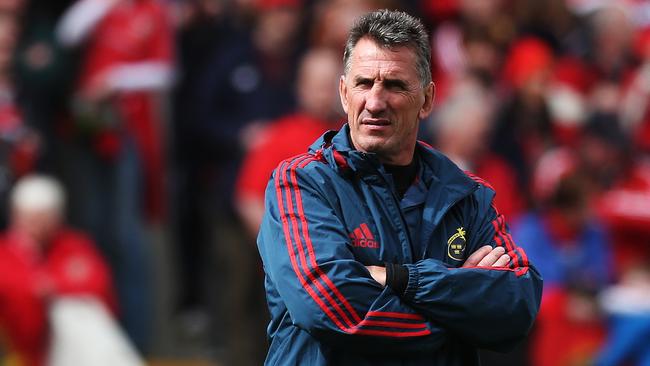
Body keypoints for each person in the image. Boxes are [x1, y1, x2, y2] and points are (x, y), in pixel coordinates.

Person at [257, 9, 543, 365]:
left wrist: (400, 279)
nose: (375, 103)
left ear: (426, 100)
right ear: (344, 94)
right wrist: (454, 316)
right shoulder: (302, 184)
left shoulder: (468, 196)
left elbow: (517, 304)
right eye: (363, 83)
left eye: (394, 85)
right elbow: (331, 308)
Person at [0, 175, 116, 366]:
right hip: (19, 349)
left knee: (74, 310)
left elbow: (98, 286)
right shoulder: (5, 251)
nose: (35, 225)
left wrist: (50, 287)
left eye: (42, 217)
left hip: (68, 349)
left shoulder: (75, 246)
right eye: (29, 217)